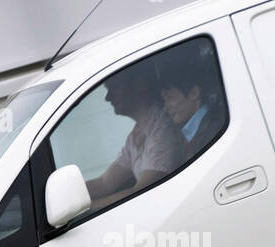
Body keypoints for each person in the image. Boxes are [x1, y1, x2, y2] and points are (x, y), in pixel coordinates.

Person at [85, 60, 186, 210]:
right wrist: (68, 196)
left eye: (113, 87)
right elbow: (105, 183)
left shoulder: (163, 127)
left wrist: (88, 210)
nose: (108, 97)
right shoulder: (137, 132)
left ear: (140, 84)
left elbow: (142, 192)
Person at [158, 42, 226, 155]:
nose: (166, 108)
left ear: (194, 93)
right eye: (164, 100)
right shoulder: (188, 133)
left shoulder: (214, 129)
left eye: (169, 97)